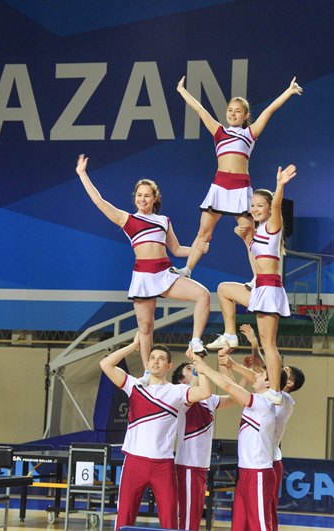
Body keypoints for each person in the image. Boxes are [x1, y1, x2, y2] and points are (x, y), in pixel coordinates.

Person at [76, 154, 210, 364]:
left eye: (147, 195)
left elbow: (176, 249)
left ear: (155, 198)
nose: (142, 199)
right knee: (146, 328)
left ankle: (195, 342)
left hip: (165, 274)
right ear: (135, 197)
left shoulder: (163, 220)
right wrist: (82, 174)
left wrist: (197, 248)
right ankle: (149, 371)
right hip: (143, 277)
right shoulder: (127, 219)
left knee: (203, 295)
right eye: (139, 195)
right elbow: (99, 202)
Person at [172, 76, 302, 279]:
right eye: (230, 110)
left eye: (238, 111)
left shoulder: (250, 133)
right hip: (219, 187)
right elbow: (200, 110)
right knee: (204, 232)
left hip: (240, 189)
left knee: (249, 235)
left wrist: (289, 91)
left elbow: (269, 110)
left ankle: (258, 278)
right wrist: (182, 90)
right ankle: (187, 270)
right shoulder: (219, 132)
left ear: (246, 115)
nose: (233, 114)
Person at [205, 165, 297, 405]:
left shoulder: (273, 227)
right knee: (224, 289)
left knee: (268, 344)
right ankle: (230, 335)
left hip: (270, 289)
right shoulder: (258, 232)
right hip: (259, 286)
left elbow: (277, 205)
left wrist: (279, 185)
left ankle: (275, 391)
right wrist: (247, 240)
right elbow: (256, 266)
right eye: (253, 205)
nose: (255, 209)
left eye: (260, 205)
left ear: (269, 208)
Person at [99, 335, 210, 530]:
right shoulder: (134, 386)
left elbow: (205, 392)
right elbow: (105, 364)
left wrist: (200, 364)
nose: (156, 361)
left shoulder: (177, 391)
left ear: (169, 366)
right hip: (134, 462)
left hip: (163, 465)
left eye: (161, 358)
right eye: (152, 358)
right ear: (148, 363)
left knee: (169, 519)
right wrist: (133, 345)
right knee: (124, 515)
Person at [192, 352, 286, 531]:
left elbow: (228, 386)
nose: (255, 375)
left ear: (268, 383)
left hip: (259, 473)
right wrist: (226, 363)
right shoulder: (256, 401)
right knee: (239, 525)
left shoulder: (264, 403)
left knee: (260, 526)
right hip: (246, 472)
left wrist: (204, 368)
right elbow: (232, 386)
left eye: (261, 374)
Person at [218, 342, 305, 530]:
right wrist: (254, 345)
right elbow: (260, 369)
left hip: (268, 462)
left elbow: (262, 374)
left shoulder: (284, 399)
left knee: (265, 514)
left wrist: (233, 364)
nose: (277, 370)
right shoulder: (265, 396)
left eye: (284, 371)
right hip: (254, 462)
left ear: (288, 383)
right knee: (245, 516)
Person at [171, 362, 234, 530]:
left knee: (194, 515)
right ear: (182, 381)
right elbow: (196, 388)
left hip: (201, 465)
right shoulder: (181, 397)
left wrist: (228, 368)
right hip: (187, 465)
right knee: (188, 517)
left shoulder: (209, 399)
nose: (194, 369)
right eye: (189, 369)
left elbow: (234, 398)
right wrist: (199, 366)